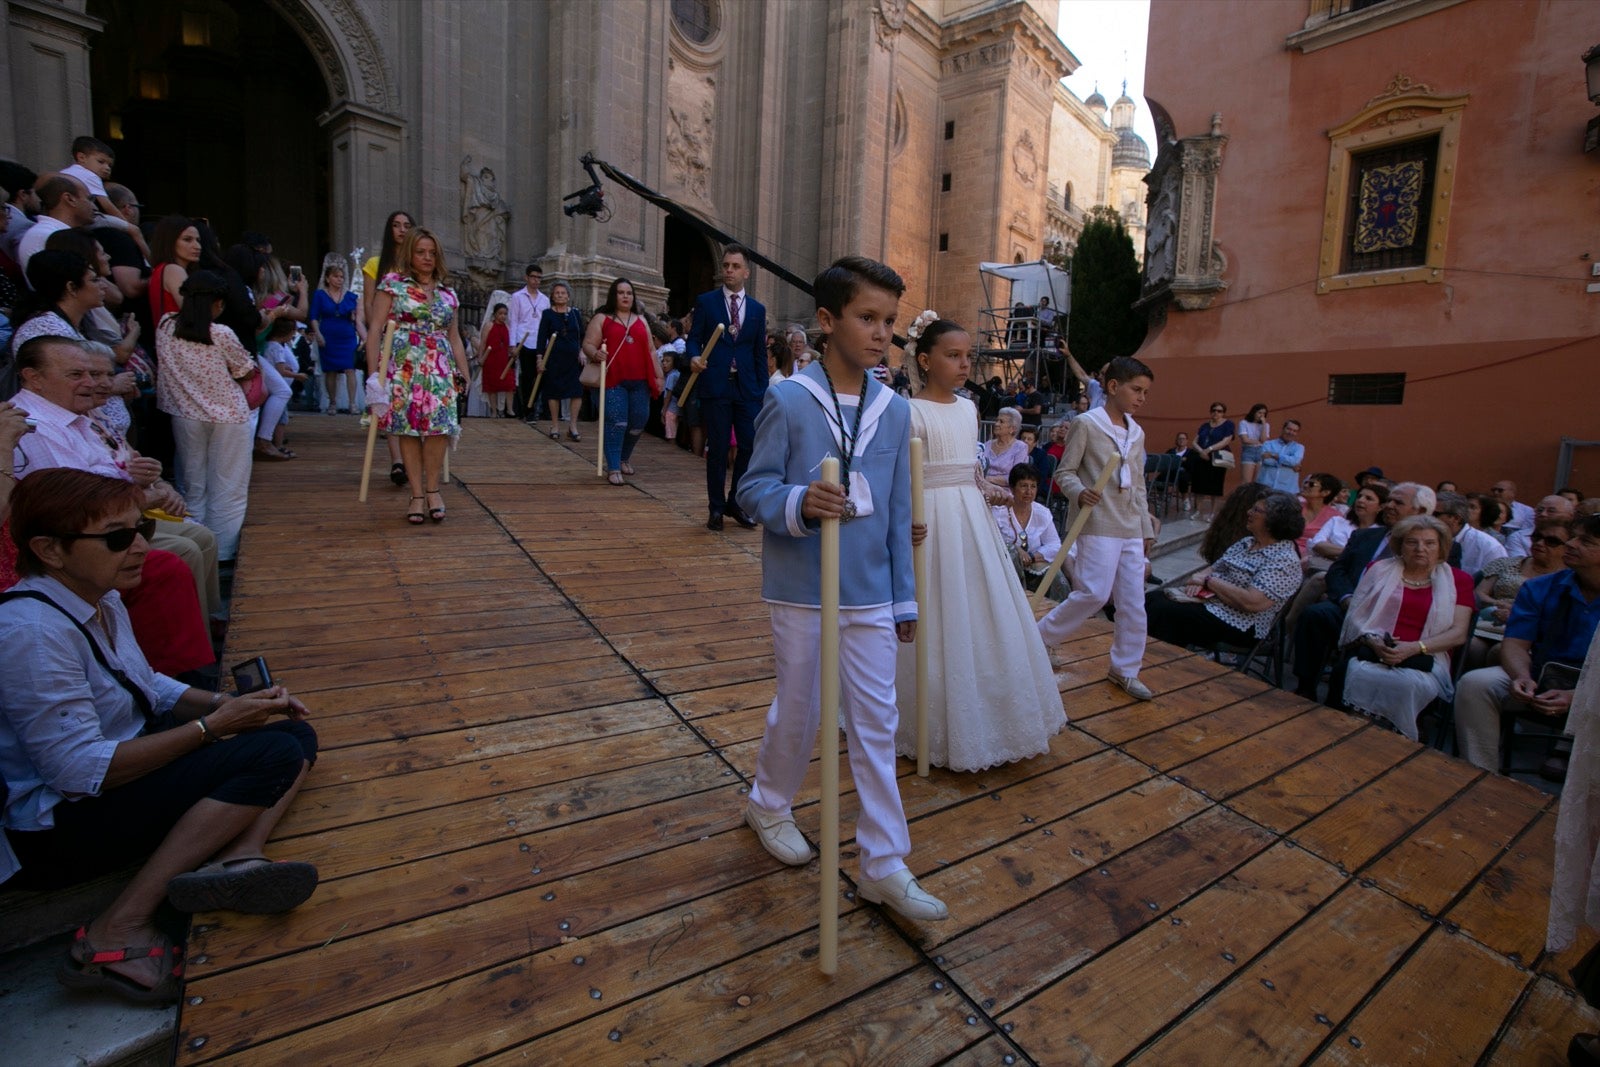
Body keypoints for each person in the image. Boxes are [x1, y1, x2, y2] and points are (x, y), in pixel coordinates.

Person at [0, 469, 318, 1003]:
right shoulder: (32, 633)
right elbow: (79, 773)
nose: (141, 547)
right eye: (118, 538)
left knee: (289, 730)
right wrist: (209, 728)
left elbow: (146, 682)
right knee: (272, 754)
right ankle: (116, 927)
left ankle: (236, 854)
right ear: (49, 550)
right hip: (54, 826)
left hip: (112, 776)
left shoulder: (98, 596)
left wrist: (230, 705)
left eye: (141, 528)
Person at [735, 254, 944, 921]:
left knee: (878, 723)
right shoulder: (789, 398)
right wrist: (800, 501)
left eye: (890, 321)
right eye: (867, 317)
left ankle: (883, 860)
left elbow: (891, 511)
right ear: (827, 321)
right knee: (800, 708)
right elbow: (752, 491)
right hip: (801, 588)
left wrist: (904, 597)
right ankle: (769, 803)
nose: (882, 333)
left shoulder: (893, 408)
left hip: (871, 593)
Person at [891, 319, 1062, 770]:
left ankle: (989, 719)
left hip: (970, 518)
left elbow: (968, 469)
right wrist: (906, 517)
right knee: (936, 608)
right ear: (925, 360)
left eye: (968, 356)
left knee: (980, 607)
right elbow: (899, 474)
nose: (965, 364)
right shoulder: (907, 411)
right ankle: (924, 720)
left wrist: (990, 489)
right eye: (953, 355)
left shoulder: (970, 409)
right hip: (929, 518)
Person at [1037, 356, 1159, 700]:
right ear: (1113, 386)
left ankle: (1125, 669)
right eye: (1136, 390)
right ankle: (1039, 638)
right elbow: (1065, 472)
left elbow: (1137, 485)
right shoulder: (1087, 424)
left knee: (1133, 601)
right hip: (1099, 522)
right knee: (1093, 592)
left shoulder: (1137, 432)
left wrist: (1146, 528)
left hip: (1131, 526)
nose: (1141, 398)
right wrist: (1080, 492)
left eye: (1146, 392)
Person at [1454, 512, 1600, 772]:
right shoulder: (1540, 587)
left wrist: (1577, 697)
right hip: (1543, 675)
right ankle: (1480, 775)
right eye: (1574, 537)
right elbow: (1516, 643)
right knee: (1476, 684)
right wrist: (1522, 676)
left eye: (1585, 541)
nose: (1571, 544)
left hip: (1594, 690)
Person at [1293, 482, 1440, 702]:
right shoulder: (1365, 536)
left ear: (1420, 511)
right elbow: (1338, 571)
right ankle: (1305, 688)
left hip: (1393, 621)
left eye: (1397, 502)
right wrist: (1346, 598)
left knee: (1356, 659)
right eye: (1389, 500)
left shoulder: (1434, 547)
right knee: (1315, 615)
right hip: (1350, 607)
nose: (1388, 505)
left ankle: (1341, 701)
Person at [1337, 515, 1474, 739]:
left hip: (1425, 656)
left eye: (1430, 543)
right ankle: (1354, 737)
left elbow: (1458, 634)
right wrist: (1373, 640)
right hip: (1375, 649)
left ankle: (1396, 741)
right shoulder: (1378, 569)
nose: (1421, 548)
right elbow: (1356, 616)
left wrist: (1414, 648)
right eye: (1412, 542)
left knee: (1407, 683)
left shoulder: (1460, 580)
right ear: (1400, 545)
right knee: (1359, 672)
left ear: (1441, 547)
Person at [363, 228, 466, 524]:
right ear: (410, 253)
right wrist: (373, 376)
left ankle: (433, 489)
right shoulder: (393, 285)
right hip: (403, 364)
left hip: (439, 367)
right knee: (407, 427)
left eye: (432, 253)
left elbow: (455, 336)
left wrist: (464, 370)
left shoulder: (448, 293)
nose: (427, 258)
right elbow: (375, 330)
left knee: (439, 428)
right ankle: (417, 494)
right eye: (421, 252)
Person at [155, 271, 258, 559]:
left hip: (185, 413)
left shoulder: (165, 326)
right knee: (229, 485)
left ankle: (195, 544)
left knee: (192, 484)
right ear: (218, 303)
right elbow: (244, 369)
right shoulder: (221, 334)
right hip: (228, 414)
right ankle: (222, 553)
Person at [1146, 492, 1304, 651]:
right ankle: (1140, 658)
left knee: (1167, 613)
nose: (1249, 512)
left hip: (1241, 623)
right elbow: (1211, 569)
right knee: (1151, 599)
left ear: (1274, 520)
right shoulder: (1246, 542)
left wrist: (1209, 582)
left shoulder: (1284, 560)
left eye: (1256, 510)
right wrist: (1201, 581)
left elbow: (1251, 602)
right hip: (1211, 603)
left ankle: (1157, 661)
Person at [688, 244, 767, 531]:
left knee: (748, 446)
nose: (729, 271)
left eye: (735, 266)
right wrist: (694, 357)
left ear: (746, 272)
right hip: (716, 386)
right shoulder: (707, 302)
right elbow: (694, 339)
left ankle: (736, 502)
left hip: (747, 390)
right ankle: (716, 508)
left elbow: (759, 353)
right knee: (719, 449)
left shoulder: (757, 310)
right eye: (726, 266)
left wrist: (761, 391)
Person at [581, 277, 662, 486]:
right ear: (613, 295)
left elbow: (651, 351)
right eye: (621, 292)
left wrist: (659, 376)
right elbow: (588, 344)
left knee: (639, 421)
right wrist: (595, 353)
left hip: (640, 381)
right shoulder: (602, 318)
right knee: (616, 422)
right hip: (613, 380)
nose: (626, 296)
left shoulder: (641, 320)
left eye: (629, 293)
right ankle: (614, 466)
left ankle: (624, 457)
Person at [1470, 518, 1570, 668]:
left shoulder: (1568, 579)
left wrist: (1515, 615)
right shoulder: (1506, 563)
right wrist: (1498, 605)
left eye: (1552, 541)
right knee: (1471, 647)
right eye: (1537, 537)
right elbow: (1478, 594)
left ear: (1567, 547)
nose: (1540, 543)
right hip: (1487, 623)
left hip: (1526, 635)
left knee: (1500, 651)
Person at [361, 211, 414, 486]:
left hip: (413, 339)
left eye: (407, 225)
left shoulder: (416, 264)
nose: (401, 230)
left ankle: (412, 459)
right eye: (396, 225)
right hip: (387, 336)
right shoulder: (375, 264)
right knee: (390, 398)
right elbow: (369, 303)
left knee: (411, 399)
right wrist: (377, 332)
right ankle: (397, 460)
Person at [995, 462, 1063, 593]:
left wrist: (1033, 556)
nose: (1029, 492)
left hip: (1032, 565)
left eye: (1033, 486)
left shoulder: (1042, 513)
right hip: (1004, 569)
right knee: (1011, 551)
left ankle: (1057, 611)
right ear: (1012, 488)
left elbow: (1055, 544)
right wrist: (1016, 550)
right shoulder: (999, 513)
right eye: (1023, 486)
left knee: (1055, 575)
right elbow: (992, 541)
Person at [309, 254, 363, 414]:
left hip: (346, 335)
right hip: (328, 334)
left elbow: (357, 318)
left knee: (350, 368)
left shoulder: (350, 296)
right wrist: (317, 334)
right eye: (335, 276)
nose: (339, 280)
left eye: (341, 277)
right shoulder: (320, 295)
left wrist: (355, 315)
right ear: (327, 278)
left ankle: (352, 403)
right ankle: (332, 402)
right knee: (330, 370)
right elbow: (313, 316)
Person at [535, 281, 584, 441]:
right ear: (552, 296)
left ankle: (573, 425)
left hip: (573, 359)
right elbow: (542, 338)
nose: (560, 295)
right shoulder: (548, 314)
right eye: (557, 293)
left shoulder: (576, 314)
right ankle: (555, 425)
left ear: (568, 296)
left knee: (576, 392)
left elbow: (582, 335)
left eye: (563, 293)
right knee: (553, 392)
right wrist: (539, 359)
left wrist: (583, 351)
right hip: (554, 359)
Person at [16, 173, 94, 272]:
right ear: (69, 199)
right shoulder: (45, 235)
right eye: (89, 199)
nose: (94, 207)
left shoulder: (53, 232)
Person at [506, 264, 550, 421]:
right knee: (526, 376)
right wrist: (513, 344)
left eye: (539, 277)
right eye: (533, 277)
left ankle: (531, 407)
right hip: (523, 340)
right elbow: (514, 321)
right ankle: (526, 409)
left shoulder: (544, 300)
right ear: (526, 277)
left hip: (540, 342)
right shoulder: (517, 297)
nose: (536, 280)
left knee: (540, 376)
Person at [1434, 490, 1506, 576]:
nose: (1428, 517)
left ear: (1456, 518)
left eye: (1435, 514)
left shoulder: (1490, 547)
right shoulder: (1420, 540)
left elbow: (1499, 581)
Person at [147, 215, 200, 321]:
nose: (197, 246)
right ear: (169, 241)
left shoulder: (161, 269)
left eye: (198, 240)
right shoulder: (173, 270)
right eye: (187, 240)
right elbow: (194, 315)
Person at [1192, 402, 1235, 522]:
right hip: (1202, 456)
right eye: (1214, 410)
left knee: (1215, 486)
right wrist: (1202, 451)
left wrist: (1209, 449)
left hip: (1217, 457)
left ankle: (1212, 513)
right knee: (1199, 485)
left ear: (1223, 413)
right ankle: (1198, 511)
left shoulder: (1228, 424)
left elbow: (1226, 440)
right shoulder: (1205, 425)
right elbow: (1195, 441)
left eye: (1219, 411)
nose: (1216, 413)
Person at [477, 296, 515, 417]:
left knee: (509, 385)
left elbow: (509, 345)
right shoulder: (489, 326)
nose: (503, 316)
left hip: (504, 360)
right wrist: (480, 357)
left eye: (505, 314)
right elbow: (483, 343)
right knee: (492, 386)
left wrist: (513, 352)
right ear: (495, 314)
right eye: (500, 313)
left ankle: (509, 409)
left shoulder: (507, 328)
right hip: (491, 360)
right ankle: (494, 411)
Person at [1296, 472, 1344, 557]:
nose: (1305, 485)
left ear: (1325, 492)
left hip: (1312, 558)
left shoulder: (1335, 517)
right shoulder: (1295, 506)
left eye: (1311, 484)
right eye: (1306, 482)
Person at [981, 406, 1028, 493]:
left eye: (1001, 422)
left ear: (1012, 429)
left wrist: (988, 479)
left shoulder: (1020, 448)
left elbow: (1016, 476)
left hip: (1005, 492)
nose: (996, 424)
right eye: (997, 420)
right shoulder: (987, 445)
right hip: (983, 487)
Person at [1256, 418, 1303, 493]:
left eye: (1294, 431)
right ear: (1283, 429)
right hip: (1265, 487)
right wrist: (1290, 464)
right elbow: (1267, 461)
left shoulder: (1299, 448)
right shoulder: (1268, 444)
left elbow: (1295, 461)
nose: (1291, 432)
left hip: (1287, 490)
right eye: (1289, 429)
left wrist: (1274, 455)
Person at [1237, 403, 1270, 486]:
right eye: (1259, 413)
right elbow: (1245, 440)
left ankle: (1254, 498)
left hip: (1261, 451)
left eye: (1263, 413)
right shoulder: (1244, 423)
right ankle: (1244, 498)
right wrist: (1257, 441)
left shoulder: (1266, 425)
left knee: (1258, 481)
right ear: (1254, 412)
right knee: (1246, 482)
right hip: (1249, 451)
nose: (1261, 415)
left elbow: (1263, 440)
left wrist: (1263, 425)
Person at [1166, 431, 1196, 514]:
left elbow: (1190, 465)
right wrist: (1181, 460)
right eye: (1179, 439)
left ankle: (1185, 500)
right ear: (1176, 440)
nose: (1181, 440)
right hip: (1172, 473)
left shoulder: (1191, 453)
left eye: (1183, 439)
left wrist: (1180, 461)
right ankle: (1161, 497)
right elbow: (1166, 462)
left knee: (1183, 478)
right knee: (1161, 477)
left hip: (1184, 473)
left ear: (1187, 441)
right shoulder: (1171, 451)